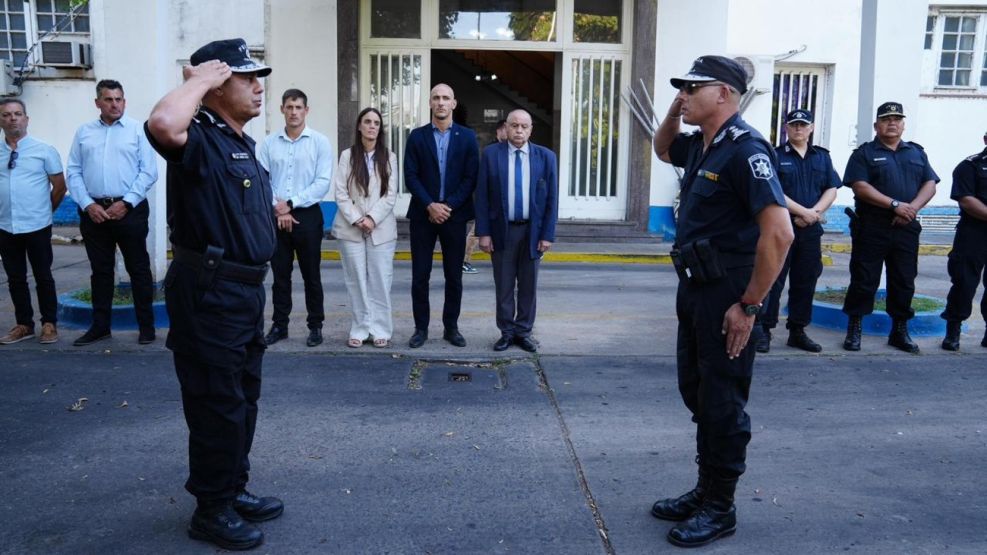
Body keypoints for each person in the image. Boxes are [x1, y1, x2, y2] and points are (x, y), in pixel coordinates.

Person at [145, 38, 282, 551]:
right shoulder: (198, 136)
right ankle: (211, 508)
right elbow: (162, 124)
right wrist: (196, 80)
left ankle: (232, 488)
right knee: (215, 403)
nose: (258, 85)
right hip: (210, 293)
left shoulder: (238, 140)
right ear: (218, 85)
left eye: (256, 76)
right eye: (247, 77)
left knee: (243, 399)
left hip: (244, 294)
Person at [651, 55, 792, 548]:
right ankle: (705, 488)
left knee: (724, 401)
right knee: (698, 392)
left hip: (728, 294)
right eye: (681, 89)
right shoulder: (702, 145)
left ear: (725, 94)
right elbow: (662, 147)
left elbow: (779, 234)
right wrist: (675, 110)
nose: (684, 95)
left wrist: (750, 306)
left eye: (693, 88)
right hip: (695, 287)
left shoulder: (745, 149)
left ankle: (721, 506)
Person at [67, 79, 159, 347]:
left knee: (139, 269)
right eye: (108, 99)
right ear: (98, 103)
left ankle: (146, 327)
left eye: (119, 99)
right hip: (94, 212)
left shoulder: (137, 131)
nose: (114, 104)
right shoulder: (84, 132)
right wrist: (88, 204)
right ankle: (100, 327)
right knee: (101, 271)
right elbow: (73, 171)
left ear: (124, 102)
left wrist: (126, 203)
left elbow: (148, 171)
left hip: (129, 211)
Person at [841, 102, 938, 353]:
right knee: (864, 279)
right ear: (876, 126)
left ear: (903, 124)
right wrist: (895, 205)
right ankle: (855, 328)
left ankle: (899, 331)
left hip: (906, 227)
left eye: (896, 118)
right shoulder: (864, 153)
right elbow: (859, 186)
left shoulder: (916, 153)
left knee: (904, 280)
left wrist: (910, 209)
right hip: (872, 227)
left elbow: (930, 184)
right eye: (886, 119)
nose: (892, 123)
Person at [753, 109, 840, 353]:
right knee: (773, 280)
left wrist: (814, 213)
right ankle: (765, 330)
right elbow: (773, 190)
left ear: (811, 128)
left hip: (810, 230)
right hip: (781, 228)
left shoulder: (821, 157)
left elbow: (831, 188)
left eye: (803, 125)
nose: (798, 129)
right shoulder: (775, 155)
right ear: (786, 128)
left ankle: (797, 331)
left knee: (806, 281)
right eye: (793, 125)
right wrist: (804, 212)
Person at [475, 109, 558, 353]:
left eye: (524, 126)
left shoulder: (546, 157)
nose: (519, 130)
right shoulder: (491, 155)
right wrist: (484, 232)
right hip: (503, 231)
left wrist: (547, 235)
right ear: (506, 128)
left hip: (532, 232)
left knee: (529, 285)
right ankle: (506, 332)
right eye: (514, 125)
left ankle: (523, 332)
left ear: (531, 129)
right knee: (503, 285)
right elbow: (482, 196)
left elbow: (551, 199)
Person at [404, 83, 479, 348]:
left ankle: (451, 328)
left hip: (455, 216)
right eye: (436, 98)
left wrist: (447, 205)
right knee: (420, 276)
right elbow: (410, 176)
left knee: (453, 277)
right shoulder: (416, 137)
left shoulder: (468, 137)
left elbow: (471, 177)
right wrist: (430, 205)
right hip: (423, 216)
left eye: (446, 97)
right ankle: (420, 329)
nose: (441, 102)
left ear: (454, 104)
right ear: (430, 103)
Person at [257, 89, 332, 348]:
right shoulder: (269, 143)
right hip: (276, 217)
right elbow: (261, 180)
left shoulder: (320, 142)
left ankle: (315, 326)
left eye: (298, 107)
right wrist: (279, 208)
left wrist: (290, 204)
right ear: (282, 109)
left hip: (308, 215)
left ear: (306, 111)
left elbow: (322, 182)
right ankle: (280, 325)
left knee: (312, 275)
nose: (293, 112)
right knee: (280, 275)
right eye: (289, 107)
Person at [0, 98, 66, 345]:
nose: (12, 118)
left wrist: (45, 212)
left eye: (17, 114)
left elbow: (59, 186)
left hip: (37, 224)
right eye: (6, 115)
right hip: (6, 225)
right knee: (15, 277)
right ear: (1, 120)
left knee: (43, 276)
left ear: (26, 119)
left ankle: (49, 323)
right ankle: (23, 324)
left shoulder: (43, 150)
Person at [331, 107, 398, 348]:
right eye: (367, 122)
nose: (372, 126)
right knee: (356, 280)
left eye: (376, 123)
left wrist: (371, 218)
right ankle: (360, 329)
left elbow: (390, 195)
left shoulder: (389, 157)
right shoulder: (347, 156)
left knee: (380, 280)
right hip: (351, 229)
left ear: (380, 129)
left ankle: (380, 329)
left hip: (381, 230)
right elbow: (340, 192)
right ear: (359, 126)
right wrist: (358, 219)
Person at [940, 129, 987, 351]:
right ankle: (953, 330)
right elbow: (967, 201)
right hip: (974, 232)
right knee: (964, 282)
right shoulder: (970, 166)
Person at [463, 119, 508, 276]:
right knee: (476, 231)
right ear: (498, 131)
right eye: (505, 128)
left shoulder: (504, 149)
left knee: (477, 231)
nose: (508, 131)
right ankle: (464, 260)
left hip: (495, 200)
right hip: (488, 199)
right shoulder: (491, 150)